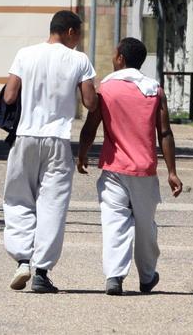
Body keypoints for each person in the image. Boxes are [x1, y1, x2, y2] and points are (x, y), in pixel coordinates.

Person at [1, 9, 97, 293]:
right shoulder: (79, 60)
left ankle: (22, 260)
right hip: (57, 139)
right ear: (69, 32)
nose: (79, 40)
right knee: (52, 203)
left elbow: (9, 95)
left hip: (25, 136)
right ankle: (41, 271)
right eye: (78, 34)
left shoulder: (25, 54)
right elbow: (91, 102)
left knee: (18, 198)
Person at [77, 37, 183, 295]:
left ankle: (115, 276)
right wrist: (171, 171)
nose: (113, 58)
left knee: (114, 222)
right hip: (144, 171)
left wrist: (82, 153)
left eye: (114, 54)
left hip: (114, 170)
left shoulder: (106, 89)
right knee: (146, 226)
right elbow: (165, 133)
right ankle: (147, 277)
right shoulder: (154, 89)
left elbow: (91, 127)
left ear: (121, 58)